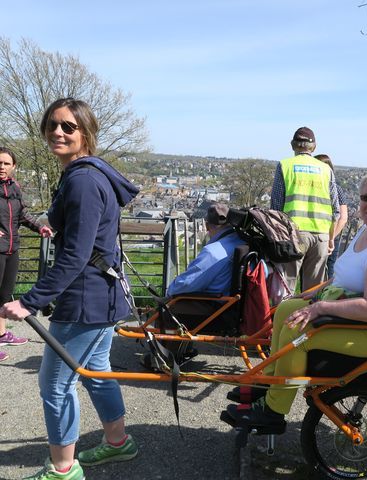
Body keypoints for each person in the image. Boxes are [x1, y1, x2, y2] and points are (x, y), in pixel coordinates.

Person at [0, 98, 140, 480]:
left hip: (86, 301)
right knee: (96, 372)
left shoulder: (81, 179)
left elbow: (76, 254)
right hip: (106, 296)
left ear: (85, 132)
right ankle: (117, 443)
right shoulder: (91, 174)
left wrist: (30, 301)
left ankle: (63, 469)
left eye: (68, 127)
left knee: (55, 385)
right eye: (52, 125)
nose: (58, 132)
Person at [225, 169, 367, 427]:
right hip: (355, 321)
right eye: (366, 198)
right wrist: (315, 293)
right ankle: (269, 382)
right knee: (286, 309)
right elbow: (344, 279)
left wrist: (319, 308)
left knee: (298, 335)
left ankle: (273, 411)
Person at [270, 127, 340, 293]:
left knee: (286, 289)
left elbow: (276, 207)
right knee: (314, 293)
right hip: (321, 237)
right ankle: (309, 319)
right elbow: (336, 210)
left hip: (293, 235)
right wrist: (330, 239)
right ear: (313, 147)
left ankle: (284, 319)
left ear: (293, 145)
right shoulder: (326, 170)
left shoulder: (285, 165)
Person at [0, 146, 53, 362]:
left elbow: (22, 214)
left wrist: (40, 227)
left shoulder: (14, 188)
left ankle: (1, 334)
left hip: (12, 248)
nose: (1, 167)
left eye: (6, 163)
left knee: (4, 294)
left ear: (14, 167)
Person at [166, 203, 245, 296]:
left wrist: (170, 290)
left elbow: (182, 286)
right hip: (237, 304)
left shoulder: (212, 252)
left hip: (213, 305)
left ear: (207, 226)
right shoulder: (242, 242)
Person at [314, 154, 349, 279]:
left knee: (324, 274)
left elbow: (343, 218)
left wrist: (330, 238)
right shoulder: (334, 188)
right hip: (324, 238)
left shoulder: (336, 189)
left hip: (327, 238)